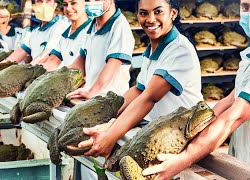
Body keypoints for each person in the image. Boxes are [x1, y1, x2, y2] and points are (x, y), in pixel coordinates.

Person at [131, 0, 250, 179]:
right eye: (246, 7)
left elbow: (234, 116)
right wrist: (191, 133)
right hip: (243, 159)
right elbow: (230, 101)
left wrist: (185, 157)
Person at [76, 0, 203, 170]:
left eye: (158, 12)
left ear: (173, 13)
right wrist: (105, 115)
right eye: (144, 13)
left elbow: (148, 98)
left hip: (181, 139)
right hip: (158, 133)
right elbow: (138, 90)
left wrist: (110, 136)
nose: (150, 19)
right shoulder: (152, 49)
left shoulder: (180, 50)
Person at [66, 0, 135, 100]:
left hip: (110, 100)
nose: (92, 2)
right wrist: (57, 77)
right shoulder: (91, 25)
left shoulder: (120, 26)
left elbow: (112, 65)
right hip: (91, 97)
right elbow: (80, 63)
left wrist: (91, 92)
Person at [32, 0, 92, 71]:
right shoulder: (65, 33)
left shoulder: (91, 31)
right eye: (65, 4)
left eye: (73, 3)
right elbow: (52, 61)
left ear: (86, 3)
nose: (68, 8)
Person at [4, 0, 69, 64]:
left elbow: (45, 57)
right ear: (33, 6)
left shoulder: (61, 27)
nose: (44, 5)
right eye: (39, 1)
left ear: (55, 4)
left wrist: (27, 70)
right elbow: (20, 52)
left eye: (48, 1)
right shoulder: (36, 31)